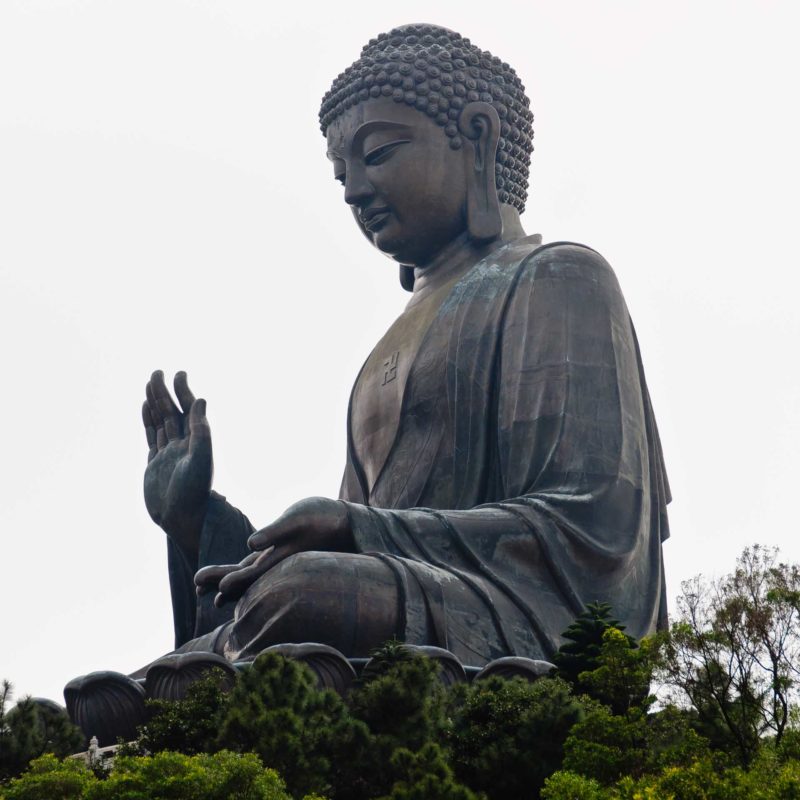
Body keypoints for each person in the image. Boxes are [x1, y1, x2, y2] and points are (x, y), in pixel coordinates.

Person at [142, 23, 670, 668]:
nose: (355, 190)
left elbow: (595, 531)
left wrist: (357, 529)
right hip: (403, 600)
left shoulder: (558, 278)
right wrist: (197, 523)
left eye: (380, 152)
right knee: (149, 670)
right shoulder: (388, 346)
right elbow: (344, 547)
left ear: (478, 137)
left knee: (303, 595)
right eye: (341, 174)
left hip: (525, 621)